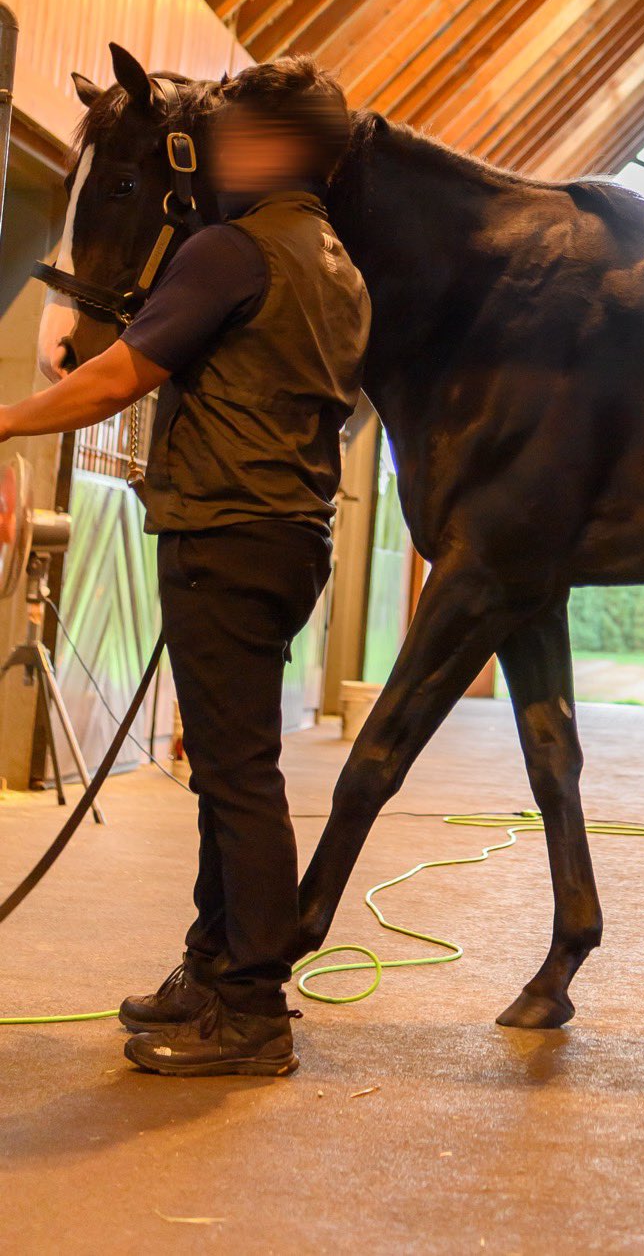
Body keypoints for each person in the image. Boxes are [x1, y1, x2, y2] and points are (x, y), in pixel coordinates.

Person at [0, 57, 370, 1078]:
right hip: (287, 534)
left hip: (225, 529)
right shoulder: (335, 259)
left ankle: (251, 1011)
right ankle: (210, 967)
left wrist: (2, 422)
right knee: (226, 766)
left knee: (237, 775)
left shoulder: (228, 251)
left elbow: (113, 378)